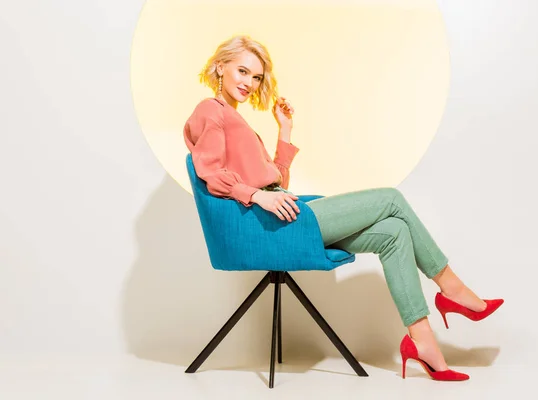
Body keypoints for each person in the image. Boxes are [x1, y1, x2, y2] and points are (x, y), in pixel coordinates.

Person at [183, 35, 504, 382]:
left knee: (394, 233)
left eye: (256, 77)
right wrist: (258, 196)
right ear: (220, 66)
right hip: (268, 227)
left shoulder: (235, 120)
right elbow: (211, 173)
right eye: (242, 71)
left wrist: (285, 129)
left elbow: (277, 181)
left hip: (280, 217)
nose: (248, 82)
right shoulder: (210, 111)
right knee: (390, 199)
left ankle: (423, 342)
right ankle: (452, 289)